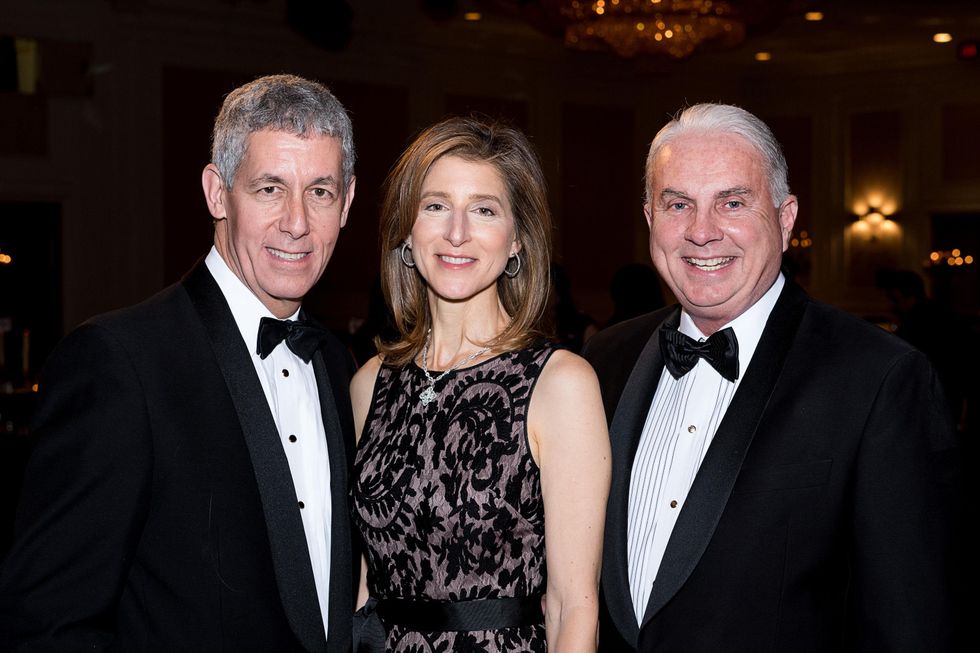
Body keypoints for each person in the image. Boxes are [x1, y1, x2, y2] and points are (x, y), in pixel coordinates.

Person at [0, 74, 359, 652]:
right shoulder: (120, 362)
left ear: (346, 203)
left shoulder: (341, 369)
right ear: (217, 193)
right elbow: (47, 623)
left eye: (320, 191)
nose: (297, 222)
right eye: (269, 188)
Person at [583, 103, 957, 652]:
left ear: (785, 219)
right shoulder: (600, 362)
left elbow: (911, 623)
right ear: (649, 219)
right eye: (678, 204)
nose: (701, 232)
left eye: (733, 202)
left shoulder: (878, 379)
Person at [350, 116, 610, 652]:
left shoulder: (559, 383)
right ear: (407, 230)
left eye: (484, 210)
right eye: (436, 205)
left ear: (517, 239)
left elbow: (573, 608)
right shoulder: (369, 384)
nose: (457, 232)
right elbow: (359, 587)